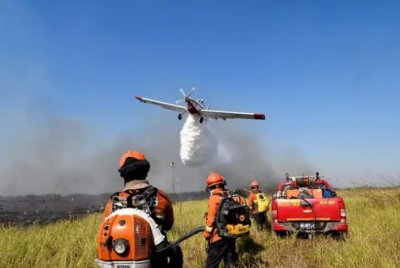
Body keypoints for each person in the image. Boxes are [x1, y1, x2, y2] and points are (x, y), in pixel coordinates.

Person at [102, 150, 182, 267]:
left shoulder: (112, 202)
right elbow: (168, 226)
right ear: (146, 172)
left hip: (120, 259)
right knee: (175, 251)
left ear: (123, 175)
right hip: (155, 259)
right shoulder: (161, 197)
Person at [203, 172, 246, 268]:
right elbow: (243, 203)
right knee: (230, 261)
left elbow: (211, 219)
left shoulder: (214, 198)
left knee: (211, 264)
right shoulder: (230, 196)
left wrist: (207, 233)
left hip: (218, 237)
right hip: (231, 234)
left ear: (211, 187)